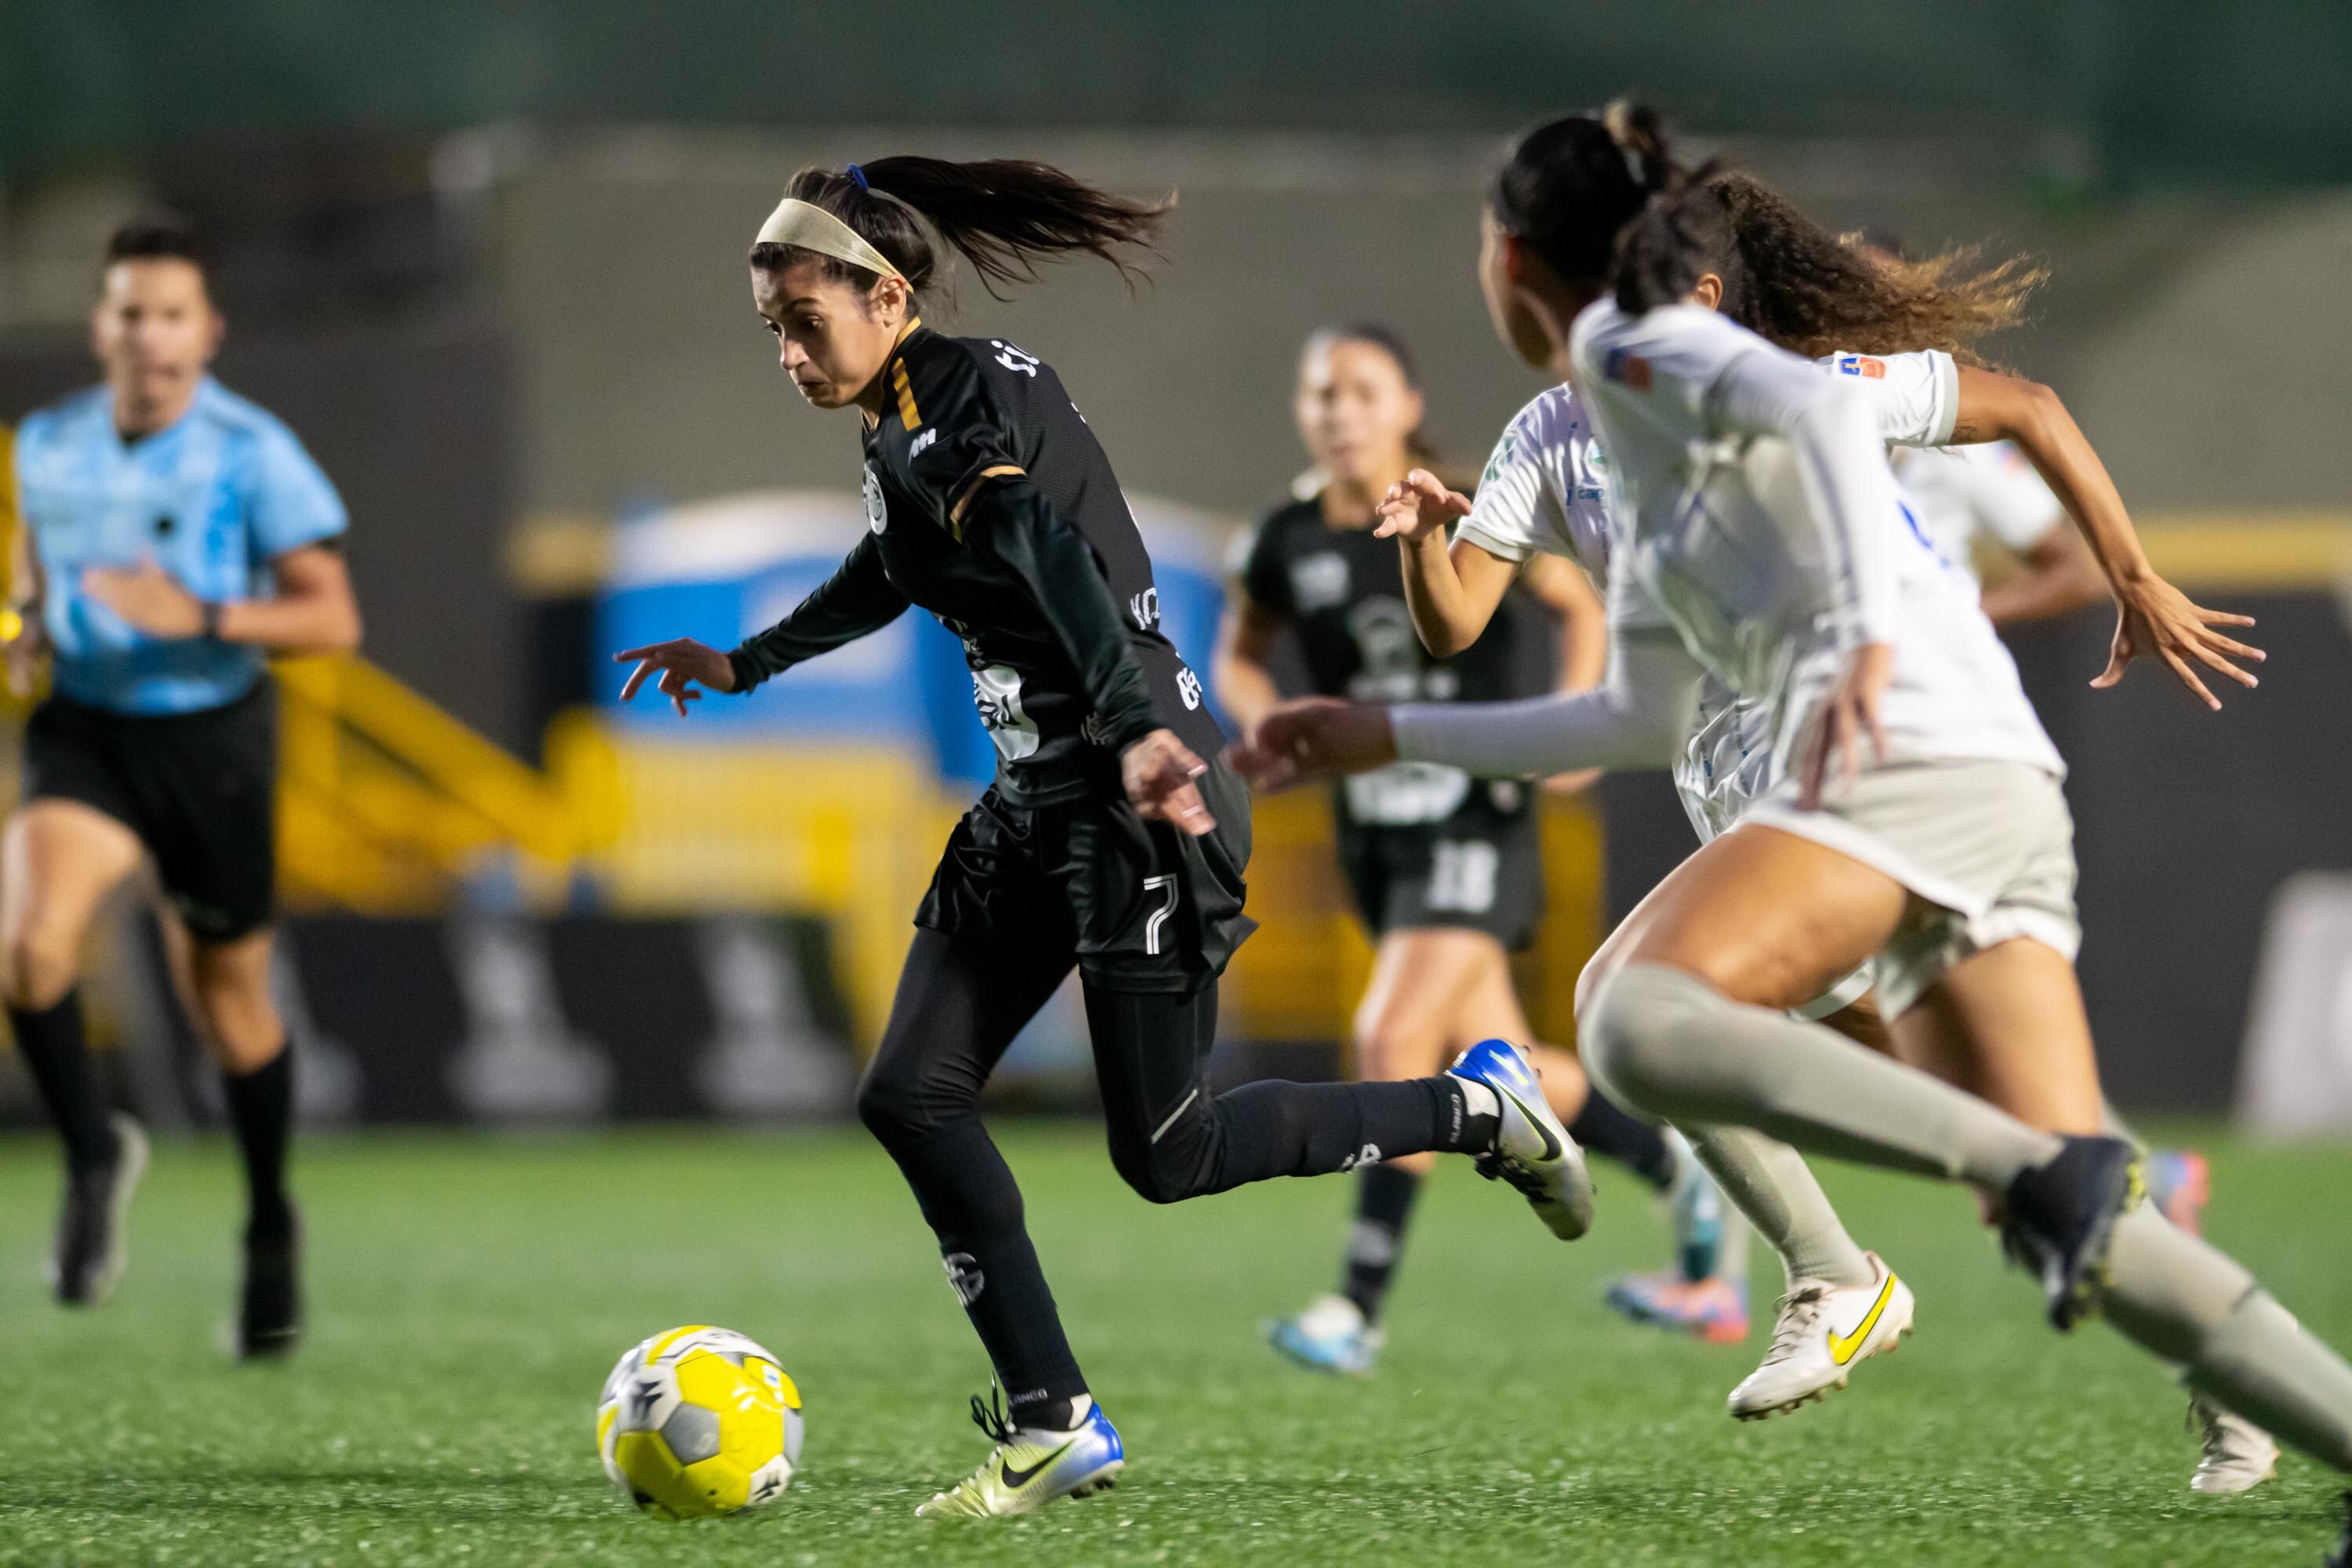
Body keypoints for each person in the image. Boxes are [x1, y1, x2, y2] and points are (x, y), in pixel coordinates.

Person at [1233, 108, 2352, 1559]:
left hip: (1890, 767)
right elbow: (1629, 714)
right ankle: (2225, 1362)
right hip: (1950, 781)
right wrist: (1387, 731)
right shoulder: (1582, 424)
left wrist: (1903, 626)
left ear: (1509, 259)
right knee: (2050, 1180)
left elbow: (1849, 412)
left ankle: (1841, 1273)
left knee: (1633, 1018)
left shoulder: (1639, 348)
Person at [608, 156, 1595, 1521]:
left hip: (1138, 791)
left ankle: (1483, 1108)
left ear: (888, 296)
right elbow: (896, 560)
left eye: (802, 321)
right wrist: (748, 661)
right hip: (1040, 796)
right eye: (769, 326)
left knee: (1169, 1151)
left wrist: (1134, 725)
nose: (785, 349)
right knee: (910, 1094)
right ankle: (1053, 1417)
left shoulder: (959, 412)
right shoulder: (905, 413)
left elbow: (1050, 554)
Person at [1215, 323, 1735, 1371]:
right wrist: (1270, 721)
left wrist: (1584, 716)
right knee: (1508, 1075)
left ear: (1407, 404)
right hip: (1377, 835)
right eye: (1322, 395)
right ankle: (1677, 1164)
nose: (1339, 412)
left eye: (1362, 391)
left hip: (1475, 816)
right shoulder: (1286, 537)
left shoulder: (1465, 499)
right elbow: (1238, 654)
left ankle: (1357, 1306)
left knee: (1390, 1039)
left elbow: (1573, 600)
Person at [4, 216, 362, 1358]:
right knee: (27, 950)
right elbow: (36, 572)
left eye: (169, 315)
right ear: (101, 325)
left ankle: (267, 1222)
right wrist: (25, 629)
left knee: (230, 1008)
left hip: (211, 745)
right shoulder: (49, 444)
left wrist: (200, 614)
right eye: (128, 312)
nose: (147, 335)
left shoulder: (252, 451)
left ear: (205, 333)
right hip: (88, 739)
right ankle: (96, 1151)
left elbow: (332, 617)